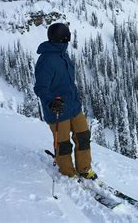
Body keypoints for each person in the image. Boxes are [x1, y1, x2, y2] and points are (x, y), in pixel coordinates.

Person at [34, 22, 97, 180]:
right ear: (64, 38)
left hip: (74, 106)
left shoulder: (63, 54)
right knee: (63, 144)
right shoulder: (46, 60)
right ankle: (68, 172)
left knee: (83, 136)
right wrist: (51, 102)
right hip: (58, 109)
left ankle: (84, 169)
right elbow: (40, 87)